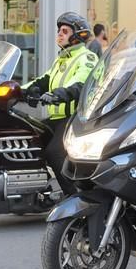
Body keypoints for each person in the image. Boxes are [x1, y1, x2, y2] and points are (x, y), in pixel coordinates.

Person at [24, 12, 98, 194]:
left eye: (65, 31)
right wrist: (18, 90)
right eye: (59, 30)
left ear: (77, 35)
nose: (60, 34)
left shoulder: (86, 58)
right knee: (28, 141)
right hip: (57, 118)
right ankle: (38, 192)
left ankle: (75, 197)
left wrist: (59, 94)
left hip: (75, 119)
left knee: (55, 152)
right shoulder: (61, 59)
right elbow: (43, 79)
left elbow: (81, 83)